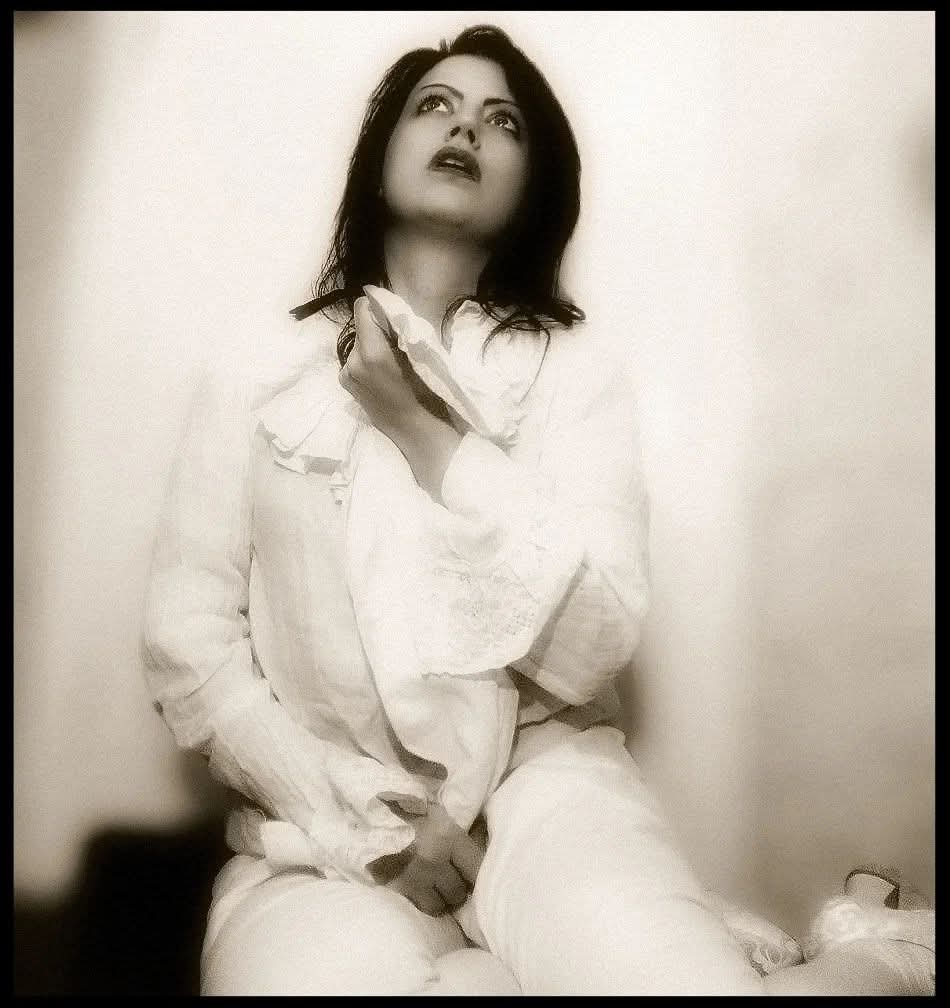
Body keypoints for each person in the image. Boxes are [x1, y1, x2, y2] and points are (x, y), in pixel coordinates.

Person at [142, 24, 934, 996]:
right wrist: (363, 817)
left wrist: (427, 435)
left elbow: (592, 641)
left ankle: (876, 949)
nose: (464, 128)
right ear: (382, 151)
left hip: (547, 793)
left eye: (502, 120)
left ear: (531, 185)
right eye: (434, 106)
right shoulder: (260, 366)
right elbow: (189, 639)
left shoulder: (573, 377)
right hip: (323, 833)